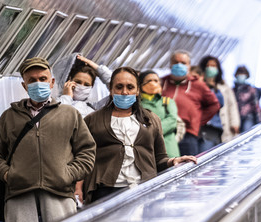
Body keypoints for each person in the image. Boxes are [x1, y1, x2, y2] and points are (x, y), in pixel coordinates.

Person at [0, 57, 96, 222]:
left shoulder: (69, 114)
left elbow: (87, 152)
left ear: (51, 82)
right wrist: (7, 174)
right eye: (32, 80)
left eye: (42, 79)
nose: (38, 84)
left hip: (59, 193)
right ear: (24, 85)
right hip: (19, 194)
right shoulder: (10, 117)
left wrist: (68, 174)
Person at [81, 67, 197, 203]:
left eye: (130, 87)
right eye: (119, 87)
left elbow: (159, 159)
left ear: (137, 91)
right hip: (105, 192)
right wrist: (79, 189)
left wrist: (173, 161)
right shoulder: (93, 120)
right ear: (111, 90)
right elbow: (83, 158)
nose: (124, 92)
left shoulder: (151, 119)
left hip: (145, 190)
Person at [161, 50, 220, 156]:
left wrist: (197, 120)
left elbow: (214, 105)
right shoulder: (161, 82)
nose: (179, 65)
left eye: (183, 63)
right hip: (163, 133)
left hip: (187, 134)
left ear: (189, 66)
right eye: (175, 62)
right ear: (170, 65)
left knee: (187, 167)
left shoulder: (198, 85)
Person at [198, 55, 240, 144]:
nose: (210, 68)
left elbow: (232, 106)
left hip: (221, 125)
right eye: (208, 66)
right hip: (205, 127)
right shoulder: (198, 85)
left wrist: (234, 123)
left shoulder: (224, 87)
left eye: (213, 66)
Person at [138, 70, 181, 158]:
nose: (153, 83)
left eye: (156, 81)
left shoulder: (167, 102)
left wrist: (151, 131)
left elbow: (172, 120)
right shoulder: (138, 105)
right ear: (141, 84)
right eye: (149, 81)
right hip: (149, 152)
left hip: (169, 149)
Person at [233, 65, 261, 132]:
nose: (241, 76)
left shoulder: (251, 90)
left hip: (248, 118)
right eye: (239, 73)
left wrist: (259, 121)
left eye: (243, 74)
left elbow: (256, 106)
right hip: (235, 119)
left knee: (246, 135)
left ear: (246, 75)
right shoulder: (232, 91)